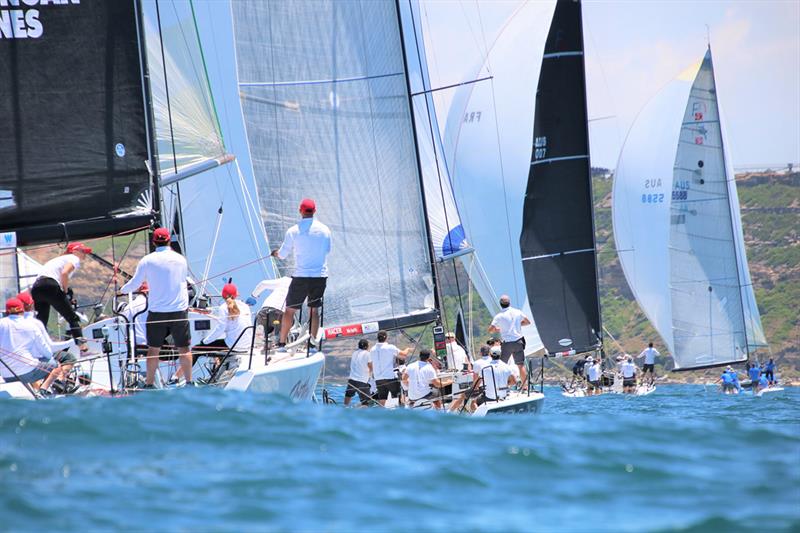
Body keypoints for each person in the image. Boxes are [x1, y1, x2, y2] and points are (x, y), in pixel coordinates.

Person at [120, 228, 193, 388]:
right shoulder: (180, 259)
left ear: (154, 242)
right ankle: (188, 382)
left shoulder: (147, 260)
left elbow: (135, 283)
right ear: (169, 241)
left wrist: (122, 290)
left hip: (157, 312)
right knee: (184, 348)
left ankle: (149, 384)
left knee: (153, 349)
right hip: (178, 311)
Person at [271, 198, 331, 352]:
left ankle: (282, 345)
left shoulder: (293, 230)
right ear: (315, 211)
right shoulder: (325, 229)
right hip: (320, 276)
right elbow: (327, 250)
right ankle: (311, 345)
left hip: (301, 276)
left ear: (300, 211)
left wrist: (275, 253)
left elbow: (283, 255)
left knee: (290, 310)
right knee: (314, 310)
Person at [30, 242, 92, 351]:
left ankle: (38, 348)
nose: (85, 254)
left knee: (41, 321)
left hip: (36, 288)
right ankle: (81, 344)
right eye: (83, 251)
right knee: (71, 316)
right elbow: (64, 273)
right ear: (74, 251)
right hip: (50, 285)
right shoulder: (73, 258)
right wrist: (66, 291)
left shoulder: (56, 260)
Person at [0, 298, 68, 391]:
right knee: (54, 364)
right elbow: (47, 352)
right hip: (28, 373)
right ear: (22, 309)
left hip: (6, 375)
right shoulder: (31, 325)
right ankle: (43, 391)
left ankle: (31, 392)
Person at [488, 295, 531, 387]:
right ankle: (525, 387)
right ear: (509, 303)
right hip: (518, 342)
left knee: (500, 365)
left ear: (501, 304)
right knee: (520, 365)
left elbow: (490, 330)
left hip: (507, 343)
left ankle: (501, 386)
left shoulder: (499, 316)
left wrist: (498, 329)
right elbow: (527, 322)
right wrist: (517, 326)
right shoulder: (517, 312)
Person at [248, 277, 291, 354]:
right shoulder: (295, 284)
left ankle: (265, 345)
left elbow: (263, 283)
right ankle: (280, 345)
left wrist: (254, 295)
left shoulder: (283, 281)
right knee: (286, 324)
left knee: (266, 331)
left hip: (263, 312)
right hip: (279, 314)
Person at [369, 330, 411, 406]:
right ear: (386, 337)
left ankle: (382, 416)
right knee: (400, 397)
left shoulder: (372, 350)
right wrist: (408, 349)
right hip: (389, 377)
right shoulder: (390, 347)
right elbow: (403, 355)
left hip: (378, 379)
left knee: (382, 400)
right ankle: (402, 413)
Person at [344, 339, 373, 407]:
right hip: (362, 381)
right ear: (366, 346)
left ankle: (345, 408)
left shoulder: (354, 353)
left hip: (352, 380)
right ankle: (363, 414)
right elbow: (371, 367)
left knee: (348, 395)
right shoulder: (367, 354)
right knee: (366, 402)